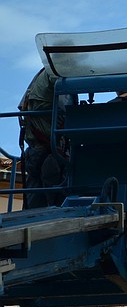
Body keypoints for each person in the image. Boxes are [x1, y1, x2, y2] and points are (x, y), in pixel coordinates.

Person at [19, 68, 68, 209]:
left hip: (38, 152)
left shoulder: (43, 75)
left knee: (34, 205)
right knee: (53, 205)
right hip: (49, 153)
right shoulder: (55, 74)